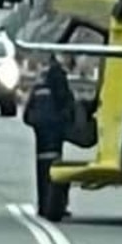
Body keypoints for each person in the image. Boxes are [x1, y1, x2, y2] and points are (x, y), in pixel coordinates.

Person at [22, 54, 77, 218]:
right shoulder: (57, 74)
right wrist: (68, 119)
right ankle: (54, 206)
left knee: (42, 166)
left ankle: (43, 205)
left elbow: (31, 103)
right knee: (54, 166)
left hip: (40, 124)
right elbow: (64, 99)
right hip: (52, 125)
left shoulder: (43, 75)